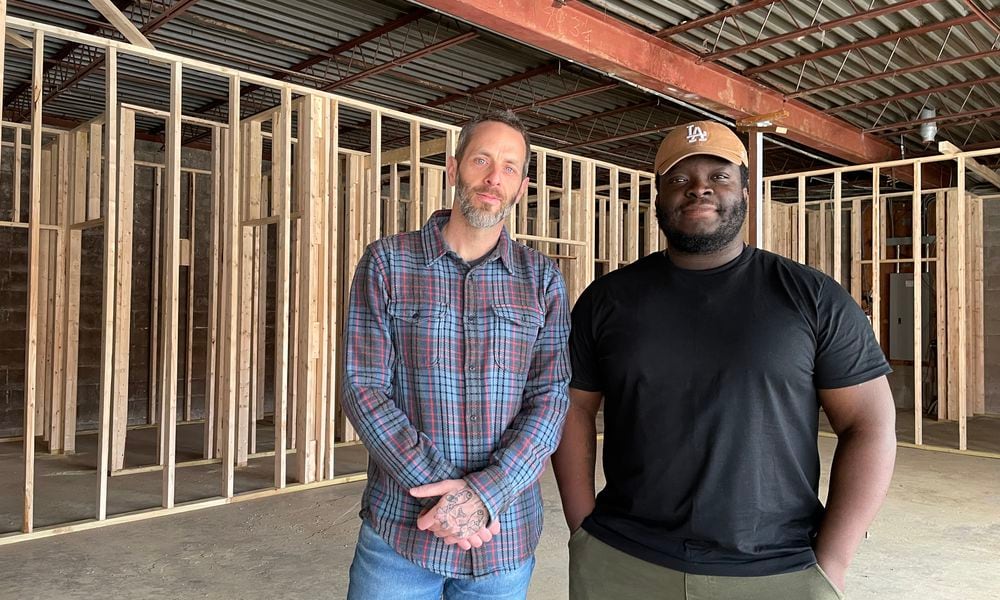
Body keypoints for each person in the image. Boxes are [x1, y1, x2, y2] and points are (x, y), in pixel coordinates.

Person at [552, 120, 897, 599]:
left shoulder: (811, 297)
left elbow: (870, 423)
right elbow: (573, 407)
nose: (699, 190)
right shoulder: (608, 299)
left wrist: (833, 561)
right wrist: (582, 528)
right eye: (679, 180)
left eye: (719, 177)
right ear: (657, 198)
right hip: (623, 560)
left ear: (745, 191)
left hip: (777, 570)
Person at [342, 110, 571, 599]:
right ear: (453, 168)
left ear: (522, 186)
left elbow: (550, 400)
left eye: (509, 167)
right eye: (482, 160)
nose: (494, 177)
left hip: (502, 539)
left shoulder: (543, 279)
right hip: (401, 534)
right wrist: (449, 496)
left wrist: (485, 493)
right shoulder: (388, 262)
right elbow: (363, 388)